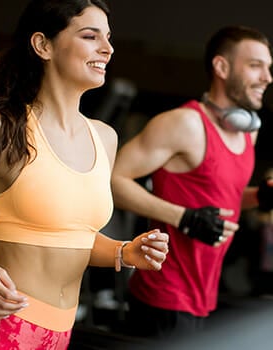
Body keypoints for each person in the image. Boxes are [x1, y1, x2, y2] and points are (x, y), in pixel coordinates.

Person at [0, 0, 169, 349]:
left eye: (109, 38)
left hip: (60, 336)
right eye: (90, 36)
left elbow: (71, 238)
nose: (108, 49)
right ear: (43, 45)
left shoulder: (105, 137)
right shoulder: (0, 130)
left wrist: (124, 251)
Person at [111, 25, 273, 338]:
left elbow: (218, 198)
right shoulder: (184, 123)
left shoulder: (247, 132)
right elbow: (113, 180)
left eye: (268, 67)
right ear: (221, 67)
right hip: (164, 294)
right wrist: (183, 218)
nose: (267, 77)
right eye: (256, 66)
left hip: (205, 295)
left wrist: (260, 197)